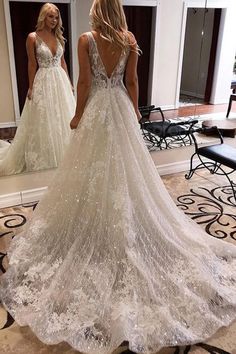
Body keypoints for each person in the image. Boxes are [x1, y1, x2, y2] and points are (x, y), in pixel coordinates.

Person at [1, 0, 236, 353]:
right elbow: (132, 81)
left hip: (97, 109)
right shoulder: (128, 38)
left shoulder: (85, 39)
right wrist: (136, 115)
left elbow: (83, 84)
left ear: (98, 11)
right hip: (122, 110)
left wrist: (78, 116)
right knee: (127, 174)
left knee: (92, 173)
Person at [0, 2, 75, 176]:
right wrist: (31, 87)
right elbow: (32, 64)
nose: (54, 20)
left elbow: (62, 62)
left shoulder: (59, 37)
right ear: (43, 17)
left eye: (56, 17)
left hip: (60, 81)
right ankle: (46, 156)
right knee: (45, 118)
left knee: (63, 116)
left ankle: (66, 156)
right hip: (44, 80)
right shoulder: (33, 37)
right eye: (50, 16)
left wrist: (69, 82)